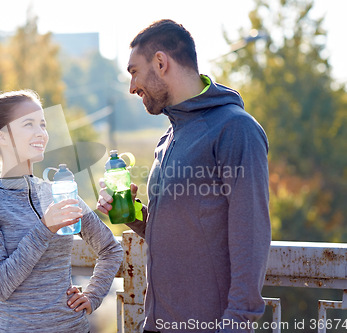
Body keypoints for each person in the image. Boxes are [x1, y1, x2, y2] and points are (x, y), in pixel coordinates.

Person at [97, 20, 271, 333]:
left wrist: (236, 324)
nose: (131, 87)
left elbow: (252, 235)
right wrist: (130, 212)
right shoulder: (169, 138)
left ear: (161, 62)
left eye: (134, 71)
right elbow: (179, 233)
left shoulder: (235, 129)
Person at [0, 90, 123, 333]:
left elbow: (110, 249)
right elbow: (0, 285)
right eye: (29, 124)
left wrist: (93, 295)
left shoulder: (60, 192)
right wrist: (45, 228)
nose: (41, 133)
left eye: (43, 125)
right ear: (1, 137)